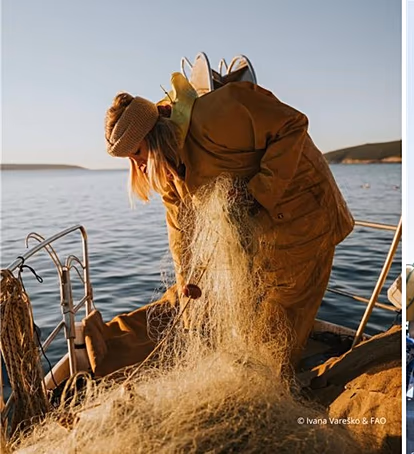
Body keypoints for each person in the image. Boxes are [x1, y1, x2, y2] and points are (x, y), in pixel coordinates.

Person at [89, 72, 354, 375]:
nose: (137, 165)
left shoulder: (221, 111)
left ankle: (268, 384)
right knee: (202, 298)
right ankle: (104, 349)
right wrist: (187, 279)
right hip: (255, 228)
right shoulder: (168, 171)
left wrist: (258, 190)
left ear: (153, 134)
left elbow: (293, 124)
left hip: (303, 215)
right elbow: (179, 230)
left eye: (136, 153)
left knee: (281, 317)